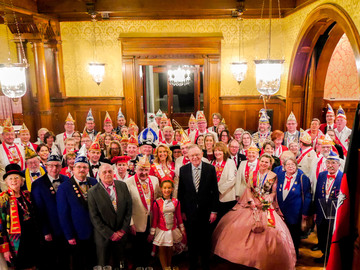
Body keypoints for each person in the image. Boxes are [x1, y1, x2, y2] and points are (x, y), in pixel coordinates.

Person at [212, 154, 296, 270]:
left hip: (265, 205)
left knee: (271, 231)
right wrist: (250, 200)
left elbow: (273, 192)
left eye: (266, 162)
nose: (264, 164)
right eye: (262, 161)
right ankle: (244, 258)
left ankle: (264, 258)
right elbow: (248, 189)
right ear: (259, 162)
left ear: (270, 164)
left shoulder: (273, 176)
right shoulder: (253, 174)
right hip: (251, 203)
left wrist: (269, 198)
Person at [178, 144, 219, 270]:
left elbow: (215, 191)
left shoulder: (210, 169)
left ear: (202, 154)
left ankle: (205, 265)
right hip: (190, 212)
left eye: (197, 155)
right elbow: (181, 192)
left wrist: (214, 211)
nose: (195, 157)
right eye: (192, 155)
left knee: (205, 241)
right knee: (192, 241)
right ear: (188, 157)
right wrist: (183, 211)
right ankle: (193, 265)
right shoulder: (183, 169)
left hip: (206, 211)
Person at [57, 146, 97, 270]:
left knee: (93, 261)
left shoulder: (94, 182)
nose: (82, 169)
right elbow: (63, 214)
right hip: (77, 233)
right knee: (79, 263)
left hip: (95, 232)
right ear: (73, 169)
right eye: (78, 167)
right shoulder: (64, 187)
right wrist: (69, 235)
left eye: (84, 167)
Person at [88, 163, 132, 268]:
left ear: (114, 172)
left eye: (110, 171)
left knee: (120, 263)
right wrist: (111, 234)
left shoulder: (122, 185)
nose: (107, 174)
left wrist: (122, 230)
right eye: (104, 172)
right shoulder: (92, 192)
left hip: (121, 234)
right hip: (104, 236)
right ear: (99, 174)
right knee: (104, 264)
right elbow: (94, 217)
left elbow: (128, 209)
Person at [31, 152, 70, 270]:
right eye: (51, 165)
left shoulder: (67, 180)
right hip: (50, 229)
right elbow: (38, 210)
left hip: (67, 229)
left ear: (61, 167)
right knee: (51, 260)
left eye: (57, 165)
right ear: (46, 166)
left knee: (66, 259)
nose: (54, 168)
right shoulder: (37, 184)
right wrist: (45, 231)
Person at [0, 164, 40, 269]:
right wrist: (5, 248)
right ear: (6, 182)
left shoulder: (27, 195)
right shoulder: (3, 199)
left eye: (17, 178)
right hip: (16, 242)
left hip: (32, 237)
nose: (14, 181)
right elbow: (1, 226)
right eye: (10, 178)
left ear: (22, 181)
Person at [125, 155, 160, 268]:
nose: (143, 172)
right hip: (136, 222)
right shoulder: (128, 182)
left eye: (146, 170)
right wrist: (131, 223)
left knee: (148, 248)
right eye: (141, 169)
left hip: (151, 220)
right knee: (137, 249)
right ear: (135, 169)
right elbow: (126, 205)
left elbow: (158, 200)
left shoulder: (154, 180)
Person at [276, 156, 312, 256]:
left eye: (293, 164)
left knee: (294, 237)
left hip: (295, 214)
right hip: (281, 213)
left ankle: (294, 255)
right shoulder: (280, 176)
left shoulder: (302, 178)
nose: (290, 166)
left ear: (296, 166)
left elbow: (307, 197)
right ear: (284, 166)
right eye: (288, 164)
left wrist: (305, 214)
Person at [148, 177, 186, 270]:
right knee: (162, 249)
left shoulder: (176, 201)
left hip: (172, 229)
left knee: (170, 248)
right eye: (165, 188)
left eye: (169, 188)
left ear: (172, 189)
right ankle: (165, 267)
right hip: (161, 229)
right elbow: (155, 218)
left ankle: (169, 266)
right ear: (161, 188)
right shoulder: (157, 202)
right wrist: (152, 233)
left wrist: (182, 229)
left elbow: (178, 216)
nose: (167, 190)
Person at [314, 152, 343, 264]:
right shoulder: (321, 175)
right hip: (321, 211)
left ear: (338, 164)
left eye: (333, 163)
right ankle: (324, 254)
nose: (330, 165)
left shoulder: (343, 177)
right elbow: (317, 194)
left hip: (334, 213)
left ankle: (331, 258)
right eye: (328, 162)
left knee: (331, 236)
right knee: (321, 234)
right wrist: (316, 211)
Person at [212, 142, 237, 220]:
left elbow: (232, 180)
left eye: (220, 150)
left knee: (225, 223)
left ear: (224, 152)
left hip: (227, 198)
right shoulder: (211, 163)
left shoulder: (230, 162)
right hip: (214, 199)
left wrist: (218, 190)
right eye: (215, 150)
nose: (217, 153)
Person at [0, 118, 26, 184]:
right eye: (7, 134)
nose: (10, 137)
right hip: (5, 184)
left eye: (12, 134)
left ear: (15, 135)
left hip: (21, 182)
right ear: (2, 135)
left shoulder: (21, 147)